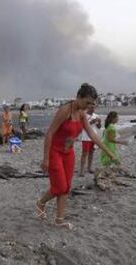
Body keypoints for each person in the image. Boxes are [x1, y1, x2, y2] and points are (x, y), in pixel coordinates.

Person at [36, 83, 118, 230]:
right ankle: (41, 202)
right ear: (78, 97)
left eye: (92, 104)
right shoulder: (64, 111)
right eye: (87, 102)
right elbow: (49, 134)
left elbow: (92, 134)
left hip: (69, 154)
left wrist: (108, 152)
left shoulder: (81, 113)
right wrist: (45, 158)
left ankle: (59, 220)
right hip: (55, 152)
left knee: (66, 187)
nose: (88, 106)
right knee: (59, 186)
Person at [79, 105, 101, 176]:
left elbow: (99, 127)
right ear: (88, 108)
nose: (93, 109)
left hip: (94, 136)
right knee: (84, 153)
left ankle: (89, 168)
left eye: (94, 107)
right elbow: (82, 126)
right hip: (86, 137)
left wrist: (99, 122)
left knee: (91, 153)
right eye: (91, 107)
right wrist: (91, 122)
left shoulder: (96, 115)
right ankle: (82, 170)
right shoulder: (84, 115)